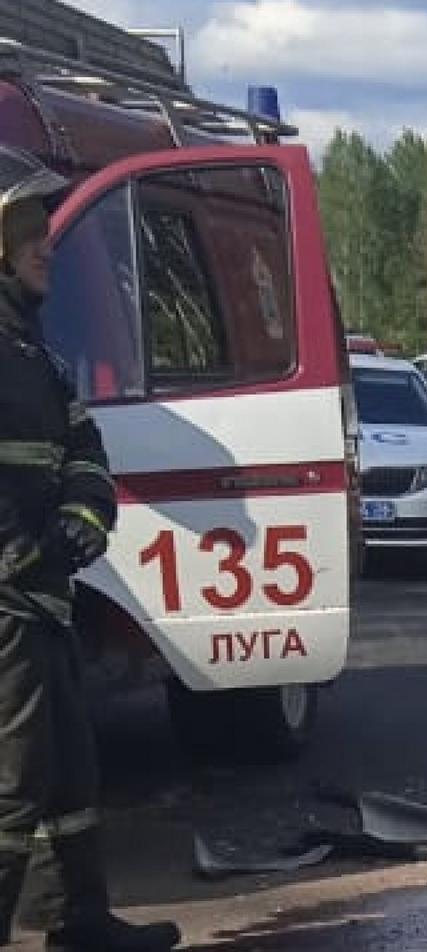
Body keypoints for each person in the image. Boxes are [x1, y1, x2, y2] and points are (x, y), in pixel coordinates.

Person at [0, 148, 181, 950]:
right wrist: (17, 563)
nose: (47, 245)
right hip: (9, 606)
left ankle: (80, 923)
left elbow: (86, 450)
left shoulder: (34, 355)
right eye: (28, 231)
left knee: (70, 777)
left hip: (41, 601)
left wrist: (83, 515)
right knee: (10, 791)